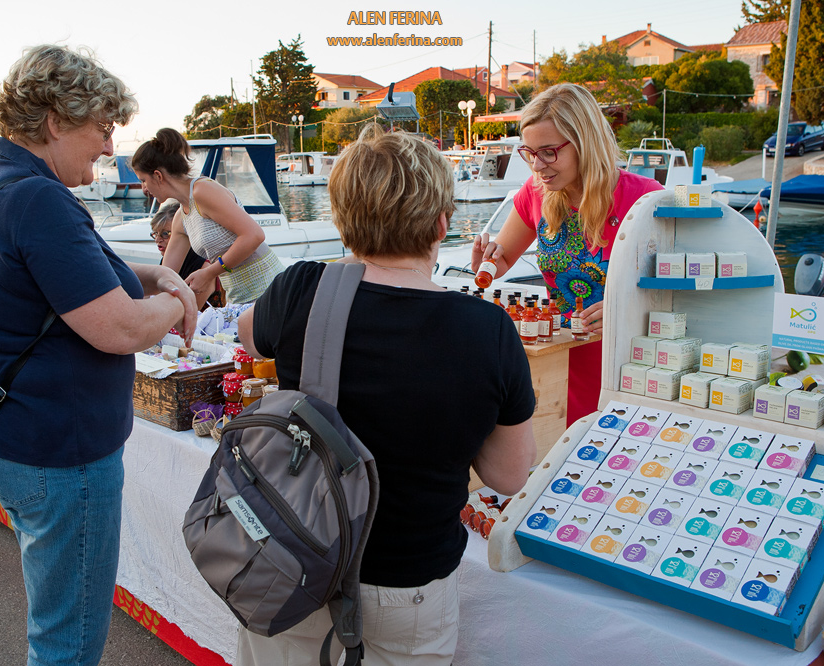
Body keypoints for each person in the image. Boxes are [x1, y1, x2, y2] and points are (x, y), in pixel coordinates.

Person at [236, 124, 537, 666]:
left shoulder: (302, 286)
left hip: (293, 559)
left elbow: (247, 333)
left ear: (343, 220)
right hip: (408, 584)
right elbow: (508, 476)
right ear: (443, 222)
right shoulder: (487, 329)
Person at [0, 44, 197, 666]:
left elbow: (70, 275)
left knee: (57, 623)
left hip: (18, 437)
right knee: (68, 640)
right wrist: (181, 299)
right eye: (103, 127)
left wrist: (151, 275)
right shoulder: (38, 200)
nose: (110, 146)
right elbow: (117, 330)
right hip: (60, 454)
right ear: (57, 119)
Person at [471, 83, 663, 426]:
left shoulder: (646, 198)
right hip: (560, 359)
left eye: (548, 152)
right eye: (529, 153)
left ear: (584, 142)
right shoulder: (535, 193)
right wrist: (487, 261)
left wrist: (629, 305)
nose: (537, 166)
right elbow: (499, 263)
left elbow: (678, 290)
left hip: (631, 364)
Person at [131, 128, 284, 304]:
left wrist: (209, 273)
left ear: (157, 176)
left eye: (143, 180)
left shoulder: (202, 191)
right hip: (239, 299)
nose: (144, 189)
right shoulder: (181, 218)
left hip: (270, 290)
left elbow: (254, 235)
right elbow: (166, 273)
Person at [149, 201, 221, 308]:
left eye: (165, 234)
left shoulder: (203, 268)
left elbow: (191, 311)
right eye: (155, 233)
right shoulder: (166, 262)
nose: (158, 240)